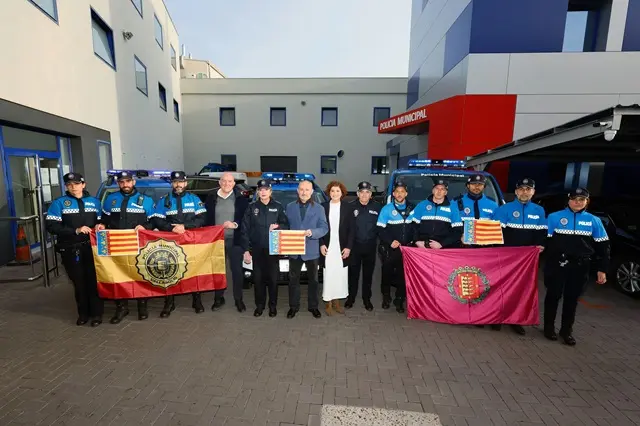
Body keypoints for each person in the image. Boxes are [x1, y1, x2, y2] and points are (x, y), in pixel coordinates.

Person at [544, 187, 609, 346]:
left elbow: (603, 247)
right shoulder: (554, 217)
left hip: (580, 266)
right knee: (553, 296)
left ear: (587, 201)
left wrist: (602, 269)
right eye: (574, 199)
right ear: (568, 200)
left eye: (581, 199)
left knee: (572, 299)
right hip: (557, 264)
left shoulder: (594, 221)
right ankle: (548, 328)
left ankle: (566, 331)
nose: (577, 202)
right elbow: (545, 242)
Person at [97, 171, 156, 323]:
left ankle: (142, 307)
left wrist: (145, 226)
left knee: (139, 275)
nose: (125, 184)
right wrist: (102, 224)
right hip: (116, 245)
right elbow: (105, 218)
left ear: (133, 182)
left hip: (138, 245)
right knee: (117, 277)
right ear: (118, 183)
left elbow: (154, 221)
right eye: (122, 182)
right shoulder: (111, 199)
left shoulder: (147, 200)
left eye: (128, 181)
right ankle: (121, 308)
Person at [46, 173, 104, 327]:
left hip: (92, 248)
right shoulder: (59, 203)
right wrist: (75, 230)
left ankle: (97, 314)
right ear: (66, 186)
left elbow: (102, 220)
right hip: (71, 249)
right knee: (79, 282)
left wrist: (101, 225)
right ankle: (83, 314)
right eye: (69, 184)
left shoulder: (95, 202)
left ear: (83, 185)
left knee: (93, 281)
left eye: (77, 184)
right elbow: (51, 226)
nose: (73, 187)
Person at [491, 178, 547, 335]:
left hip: (526, 261)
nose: (524, 192)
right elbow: (496, 234)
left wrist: (541, 246)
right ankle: (497, 318)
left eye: (528, 189)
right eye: (521, 189)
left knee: (521, 290)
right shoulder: (504, 209)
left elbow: (541, 234)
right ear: (516, 192)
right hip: (506, 258)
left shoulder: (539, 211)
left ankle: (515, 319)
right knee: (501, 288)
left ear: (533, 192)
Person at [154, 171, 207, 317]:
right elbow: (157, 220)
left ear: (186, 183)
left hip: (190, 241)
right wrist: (171, 228)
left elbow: (202, 218)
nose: (178, 184)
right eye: (175, 182)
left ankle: (197, 300)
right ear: (172, 183)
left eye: (181, 182)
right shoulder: (163, 200)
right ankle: (169, 303)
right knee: (169, 271)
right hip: (170, 242)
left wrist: (185, 226)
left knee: (194, 269)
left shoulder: (194, 199)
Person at [240, 179, 289, 317]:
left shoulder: (278, 207)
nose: (263, 192)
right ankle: (259, 306)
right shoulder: (251, 207)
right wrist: (246, 250)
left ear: (270, 191)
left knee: (273, 280)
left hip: (273, 250)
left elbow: (286, 225)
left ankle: (272, 306)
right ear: (257, 192)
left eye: (266, 189)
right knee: (258, 280)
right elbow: (244, 230)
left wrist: (278, 226)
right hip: (257, 250)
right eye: (260, 190)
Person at [204, 172, 249, 312]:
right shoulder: (211, 198)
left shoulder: (241, 199)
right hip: (216, 240)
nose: (226, 184)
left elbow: (245, 219)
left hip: (235, 240)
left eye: (230, 181)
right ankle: (218, 298)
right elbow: (206, 218)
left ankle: (238, 300)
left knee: (237, 271)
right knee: (218, 270)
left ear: (234, 184)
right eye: (224, 181)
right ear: (219, 182)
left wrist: (235, 224)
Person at [285, 180, 329, 319]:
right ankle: (293, 307)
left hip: (312, 251)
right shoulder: (290, 207)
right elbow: (285, 226)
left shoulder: (319, 208)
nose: (304, 192)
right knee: (293, 281)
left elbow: (324, 228)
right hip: (294, 250)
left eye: (307, 189)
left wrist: (313, 232)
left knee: (314, 281)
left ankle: (313, 307)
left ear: (312, 192)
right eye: (301, 189)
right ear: (297, 191)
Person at [376, 181, 415, 313]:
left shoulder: (412, 208)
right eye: (397, 192)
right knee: (386, 275)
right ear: (393, 194)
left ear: (406, 193)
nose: (399, 194)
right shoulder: (386, 209)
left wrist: (412, 241)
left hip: (406, 250)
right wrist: (390, 241)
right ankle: (386, 298)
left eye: (402, 191)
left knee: (402, 276)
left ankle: (399, 300)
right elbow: (380, 229)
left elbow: (416, 227)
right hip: (389, 249)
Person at [320, 181, 354, 316]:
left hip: (341, 247)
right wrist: (321, 244)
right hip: (328, 247)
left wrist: (349, 247)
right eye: (332, 191)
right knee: (328, 274)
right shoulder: (323, 207)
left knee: (340, 275)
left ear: (342, 193)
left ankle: (337, 303)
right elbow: (318, 226)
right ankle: (328, 303)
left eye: (337, 191)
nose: (335, 193)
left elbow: (352, 230)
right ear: (329, 193)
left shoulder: (348, 207)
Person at [347, 181, 381, 311]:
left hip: (370, 247)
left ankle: (367, 299)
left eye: (367, 192)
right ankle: (351, 298)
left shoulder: (377, 207)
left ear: (371, 194)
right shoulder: (350, 206)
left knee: (368, 275)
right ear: (357, 193)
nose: (364, 195)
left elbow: (381, 227)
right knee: (353, 275)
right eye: (362, 192)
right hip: (354, 247)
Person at [411, 179, 463, 250]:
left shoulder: (453, 208)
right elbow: (413, 226)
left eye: (442, 189)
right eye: (437, 188)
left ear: (445, 192)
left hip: (443, 249)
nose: (439, 191)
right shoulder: (422, 205)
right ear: (433, 190)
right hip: (422, 247)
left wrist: (442, 244)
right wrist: (416, 241)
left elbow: (458, 232)